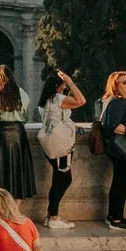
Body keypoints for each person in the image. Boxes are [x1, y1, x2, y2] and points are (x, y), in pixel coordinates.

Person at [0, 64, 40, 201]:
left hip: (1, 136)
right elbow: (27, 117)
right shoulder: (22, 92)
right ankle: (15, 214)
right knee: (18, 176)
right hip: (18, 135)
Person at [38, 69, 88, 229]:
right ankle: (53, 217)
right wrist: (71, 82)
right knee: (64, 179)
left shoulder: (46, 100)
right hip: (61, 143)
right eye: (64, 85)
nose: (66, 88)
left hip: (50, 141)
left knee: (58, 178)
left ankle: (51, 216)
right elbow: (81, 101)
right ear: (58, 85)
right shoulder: (58, 98)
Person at [97, 71, 126, 230]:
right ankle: (115, 219)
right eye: (123, 82)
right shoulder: (116, 102)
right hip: (121, 149)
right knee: (122, 183)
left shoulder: (121, 102)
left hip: (122, 149)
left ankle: (116, 215)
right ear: (114, 86)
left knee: (121, 182)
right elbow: (112, 125)